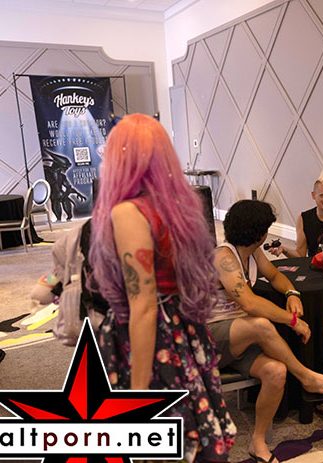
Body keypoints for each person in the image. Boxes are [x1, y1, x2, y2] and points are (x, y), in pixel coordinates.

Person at [89, 113, 235, 462]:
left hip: (151, 337)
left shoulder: (128, 212)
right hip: (183, 329)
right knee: (191, 432)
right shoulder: (178, 208)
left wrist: (136, 399)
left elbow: (143, 305)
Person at [209, 199, 323, 463]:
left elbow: (275, 276)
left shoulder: (252, 253)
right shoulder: (224, 257)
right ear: (259, 234)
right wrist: (292, 320)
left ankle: (258, 442)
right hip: (209, 339)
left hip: (238, 339)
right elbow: (249, 303)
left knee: (276, 372)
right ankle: (307, 377)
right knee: (261, 324)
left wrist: (291, 293)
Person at [270, 168, 323, 257]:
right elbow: (300, 255)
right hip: (314, 264)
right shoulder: (303, 219)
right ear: (313, 195)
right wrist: (284, 249)